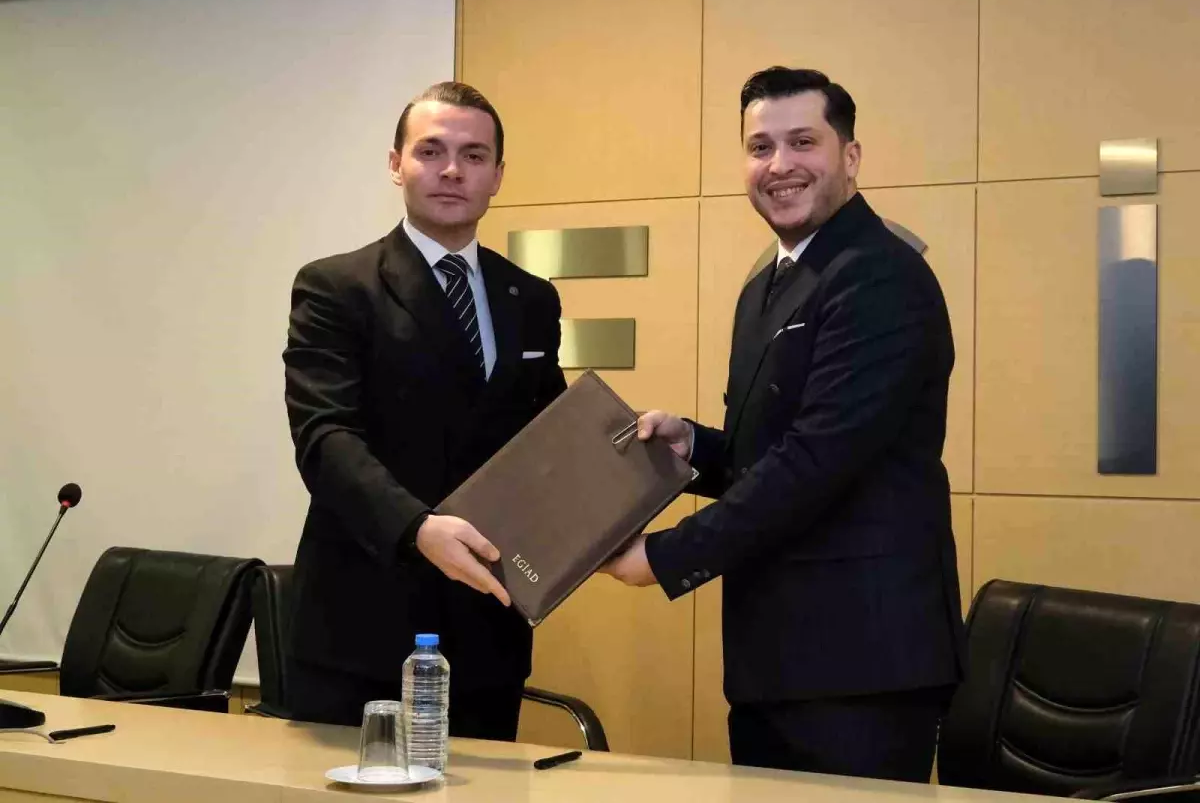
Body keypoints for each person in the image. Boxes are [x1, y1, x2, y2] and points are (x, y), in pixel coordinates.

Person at [602, 67, 965, 781]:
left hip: (861, 663)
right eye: (760, 146)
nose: (779, 165)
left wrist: (665, 557)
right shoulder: (770, 281)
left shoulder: (878, 275)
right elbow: (768, 452)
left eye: (803, 142)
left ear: (850, 157)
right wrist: (692, 446)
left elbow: (816, 461)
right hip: (778, 657)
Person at [282, 81, 566, 739]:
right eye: (431, 151)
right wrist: (415, 528)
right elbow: (325, 437)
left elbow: (549, 437)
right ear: (396, 164)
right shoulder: (336, 287)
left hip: (487, 625)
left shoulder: (530, 298)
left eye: (474, 155)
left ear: (498, 175)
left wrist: (630, 459)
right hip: (362, 624)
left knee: (487, 787)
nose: (452, 170)